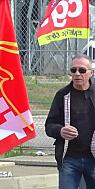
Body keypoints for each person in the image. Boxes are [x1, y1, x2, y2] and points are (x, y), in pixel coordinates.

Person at [45, 54, 95, 189]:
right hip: (69, 159)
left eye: (82, 70)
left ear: (91, 73)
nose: (77, 74)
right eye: (73, 70)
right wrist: (60, 131)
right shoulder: (62, 95)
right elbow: (49, 125)